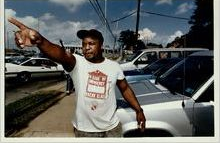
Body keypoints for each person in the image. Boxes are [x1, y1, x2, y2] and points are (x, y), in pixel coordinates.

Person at [8, 17, 146, 137]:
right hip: (85, 131)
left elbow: (125, 89)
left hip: (112, 128)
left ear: (101, 46)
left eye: (91, 44)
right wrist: (40, 41)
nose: (86, 47)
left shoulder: (114, 66)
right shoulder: (77, 63)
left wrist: (139, 110)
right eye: (84, 44)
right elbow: (60, 54)